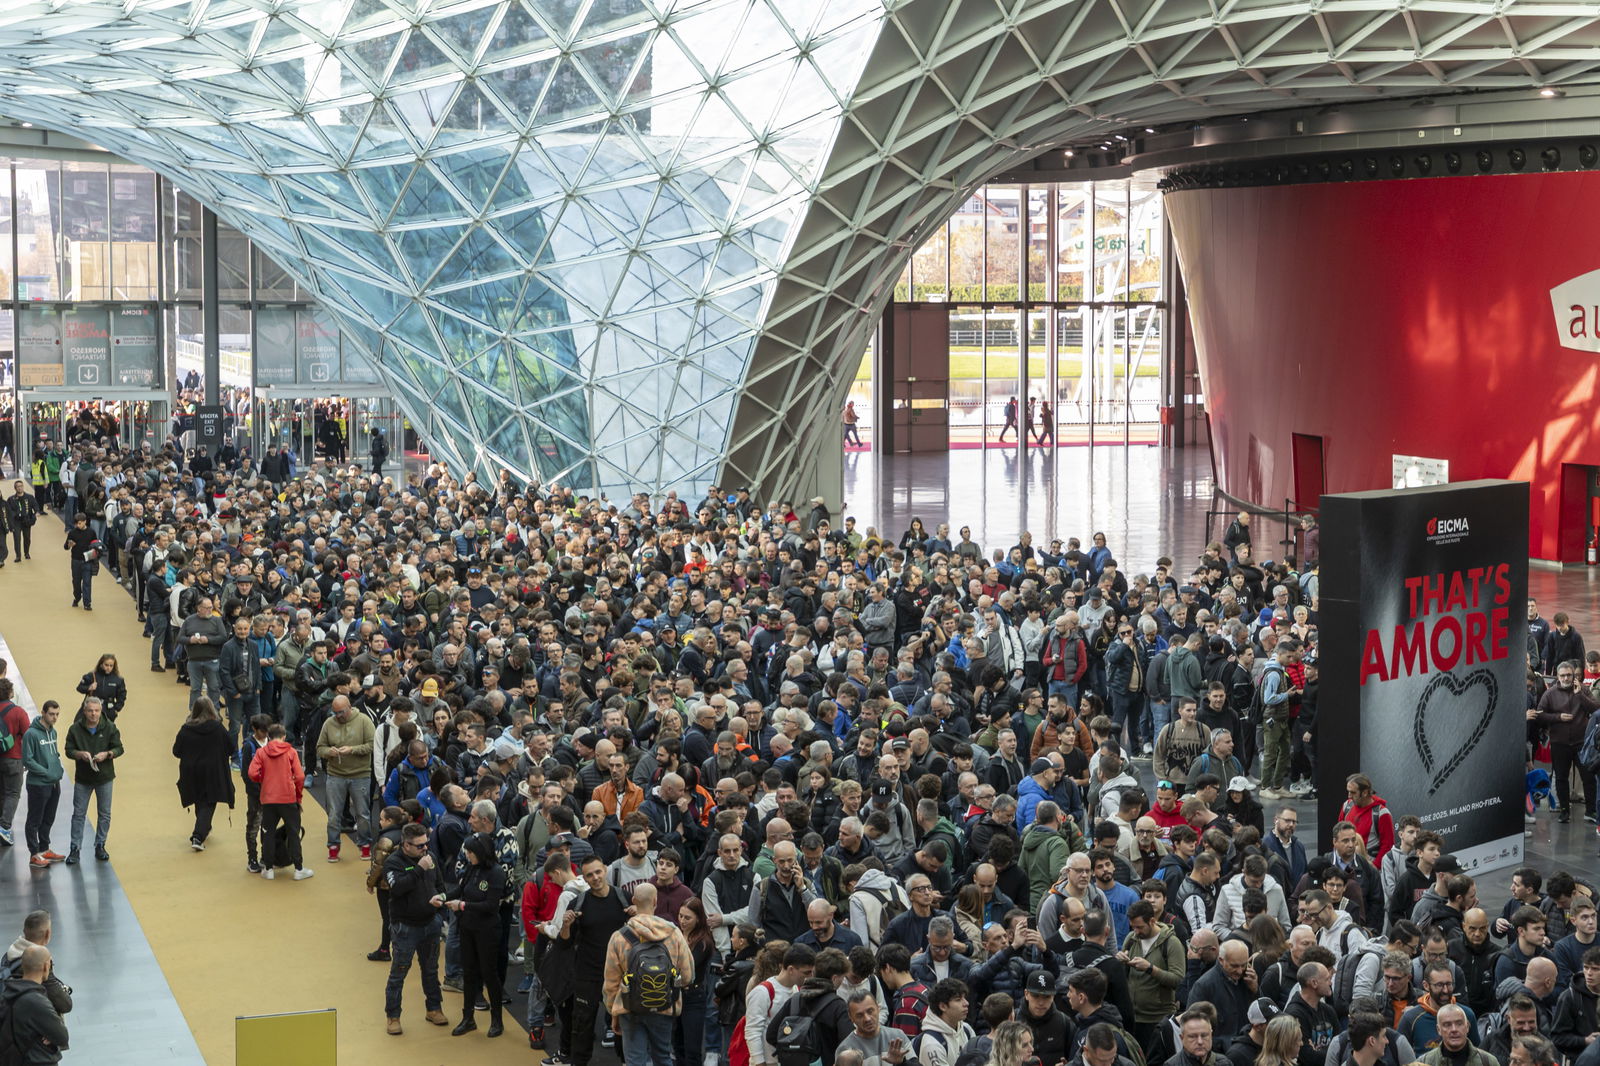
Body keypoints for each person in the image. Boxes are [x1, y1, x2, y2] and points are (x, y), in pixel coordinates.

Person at [602, 880, 696, 1064]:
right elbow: (687, 976)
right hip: (664, 1005)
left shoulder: (619, 937)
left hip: (629, 1007)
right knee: (663, 1057)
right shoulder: (673, 933)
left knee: (635, 1060)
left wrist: (614, 1010)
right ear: (655, 901)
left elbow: (610, 982)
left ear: (634, 901)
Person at [382, 821, 450, 1035]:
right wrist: (419, 868)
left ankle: (434, 1008)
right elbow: (397, 888)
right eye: (420, 845)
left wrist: (440, 905)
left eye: (426, 843)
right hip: (405, 927)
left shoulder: (430, 858)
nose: (425, 848)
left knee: (431, 970)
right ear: (406, 845)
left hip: (430, 923)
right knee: (399, 973)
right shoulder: (393, 862)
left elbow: (440, 885)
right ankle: (393, 1016)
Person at [445, 833, 508, 1038]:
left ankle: (497, 1020)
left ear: (481, 852)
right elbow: (460, 889)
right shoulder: (472, 868)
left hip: (487, 931)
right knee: (469, 973)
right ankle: (468, 1018)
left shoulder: (496, 872)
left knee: (489, 974)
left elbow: (491, 905)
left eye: (470, 852)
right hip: (467, 928)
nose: (467, 855)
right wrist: (443, 897)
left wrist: (462, 905)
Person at [247, 722, 313, 881]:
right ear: (284, 737)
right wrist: (297, 794)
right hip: (288, 798)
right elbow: (300, 776)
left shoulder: (261, 752)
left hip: (268, 798)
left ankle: (268, 868)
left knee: (268, 833)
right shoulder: (291, 752)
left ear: (269, 737)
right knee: (293, 833)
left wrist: (263, 780)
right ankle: (298, 868)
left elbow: (252, 773)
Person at [171, 696, 234, 852]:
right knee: (209, 801)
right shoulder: (218, 728)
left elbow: (176, 751)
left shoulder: (186, 729)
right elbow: (231, 747)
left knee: (199, 799)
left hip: (191, 771)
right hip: (213, 771)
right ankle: (198, 835)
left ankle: (204, 827)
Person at [316, 695, 375, 862]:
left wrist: (352, 750)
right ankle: (333, 846)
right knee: (334, 814)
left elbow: (372, 745)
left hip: (360, 774)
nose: (338, 716)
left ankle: (365, 844)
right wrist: (329, 752)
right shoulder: (329, 723)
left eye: (341, 712)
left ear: (349, 707)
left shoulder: (364, 721)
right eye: (335, 712)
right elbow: (319, 747)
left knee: (362, 813)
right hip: (335, 774)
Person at [62, 697, 119, 864]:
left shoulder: (110, 727)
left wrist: (108, 754)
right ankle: (75, 848)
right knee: (78, 814)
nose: (94, 714)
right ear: (84, 711)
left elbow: (119, 747)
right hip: (83, 779)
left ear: (101, 711)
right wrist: (79, 754)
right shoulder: (75, 729)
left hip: (104, 777)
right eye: (90, 711)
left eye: (97, 710)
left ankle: (100, 845)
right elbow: (68, 750)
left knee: (104, 814)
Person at [0, 945, 68, 1064]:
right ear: (46, 967)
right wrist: (48, 1032)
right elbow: (62, 1037)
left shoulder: (8, 990)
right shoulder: (37, 1001)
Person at [20, 700, 65, 870]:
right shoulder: (31, 734)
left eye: (57, 714)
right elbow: (27, 760)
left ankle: (44, 849)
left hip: (54, 783)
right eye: (51, 714)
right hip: (38, 785)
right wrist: (46, 772)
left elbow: (54, 755)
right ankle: (34, 854)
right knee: (35, 820)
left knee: (48, 818)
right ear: (43, 712)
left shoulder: (53, 732)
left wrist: (57, 770)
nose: (55, 718)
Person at [74, 654, 126, 722]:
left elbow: (122, 696)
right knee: (78, 725)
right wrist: (89, 687)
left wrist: (116, 709)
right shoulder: (92, 675)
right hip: (91, 707)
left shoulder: (118, 680)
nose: (108, 668)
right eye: (106, 665)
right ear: (101, 664)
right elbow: (79, 688)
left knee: (105, 728)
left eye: (111, 666)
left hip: (107, 710)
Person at [63, 511, 97, 611]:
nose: (78, 525)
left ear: (85, 521)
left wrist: (94, 554)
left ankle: (87, 603)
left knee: (87, 582)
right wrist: (69, 545)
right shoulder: (72, 533)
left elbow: (95, 544)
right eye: (76, 523)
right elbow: (65, 547)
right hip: (76, 561)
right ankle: (77, 597)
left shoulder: (91, 532)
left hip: (87, 561)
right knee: (76, 582)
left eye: (80, 523)